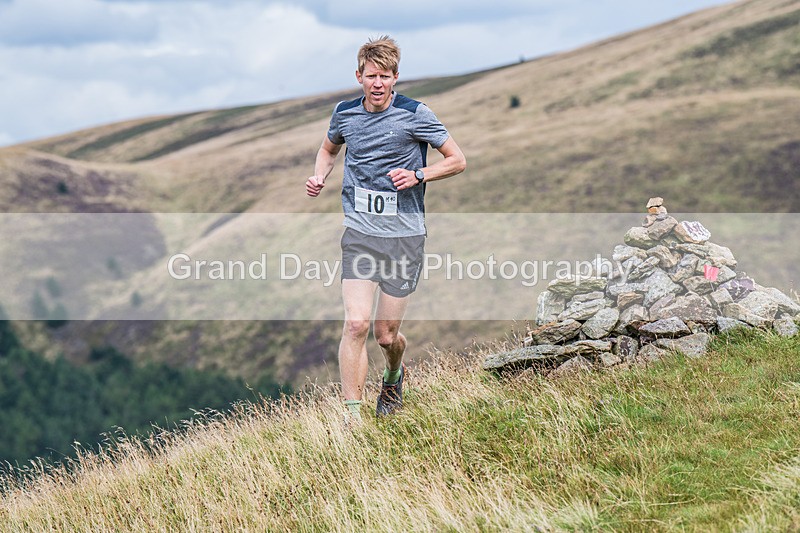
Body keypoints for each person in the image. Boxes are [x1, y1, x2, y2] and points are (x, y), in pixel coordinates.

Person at [305, 36, 466, 422]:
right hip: (360, 233)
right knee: (356, 323)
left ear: (396, 78)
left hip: (404, 237)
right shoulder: (344, 113)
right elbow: (329, 149)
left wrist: (418, 174)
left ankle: (394, 373)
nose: (378, 83)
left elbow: (457, 160)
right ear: (358, 76)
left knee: (385, 335)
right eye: (371, 76)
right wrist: (318, 175)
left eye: (386, 76)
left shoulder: (415, 114)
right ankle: (352, 417)